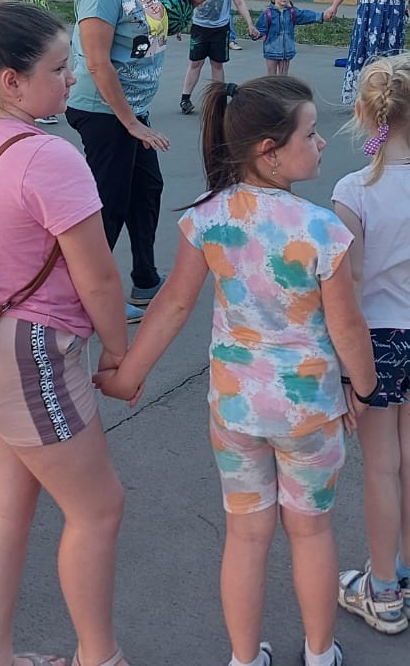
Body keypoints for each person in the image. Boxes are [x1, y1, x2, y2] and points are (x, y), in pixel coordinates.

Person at [98, 77, 376, 666]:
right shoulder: (322, 229)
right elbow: (348, 329)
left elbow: (172, 304)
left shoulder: (208, 218)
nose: (322, 143)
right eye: (310, 132)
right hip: (310, 410)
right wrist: (363, 387)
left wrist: (130, 373)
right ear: (269, 150)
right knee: (312, 533)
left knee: (246, 536)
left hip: (235, 407)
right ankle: (321, 653)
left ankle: (245, 658)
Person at [0, 2, 133, 666]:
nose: (70, 79)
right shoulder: (48, 157)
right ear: (11, 82)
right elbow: (99, 280)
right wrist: (119, 353)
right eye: (58, 68)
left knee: (6, 508)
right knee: (98, 509)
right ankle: (99, 657)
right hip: (30, 354)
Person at [332, 55, 410, 633]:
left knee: (379, 468)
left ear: (361, 113)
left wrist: (347, 367)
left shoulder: (352, 190)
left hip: (374, 339)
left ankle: (380, 589)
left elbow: (351, 283)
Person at [67, 0, 206, 316]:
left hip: (131, 111)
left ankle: (144, 280)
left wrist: (188, 7)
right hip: (105, 112)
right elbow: (97, 59)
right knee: (109, 204)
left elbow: (146, 36)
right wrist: (131, 123)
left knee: (146, 192)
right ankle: (85, 299)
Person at [179, 0, 257, 114]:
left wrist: (250, 23)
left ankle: (218, 100)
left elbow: (239, 1)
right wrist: (179, 27)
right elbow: (186, 4)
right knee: (195, 64)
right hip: (200, 28)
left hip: (220, 30)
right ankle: (185, 99)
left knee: (217, 65)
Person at [253, 0, 323, 76]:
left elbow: (305, 15)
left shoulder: (292, 12)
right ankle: (270, 91)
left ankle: (282, 90)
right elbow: (260, 29)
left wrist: (321, 16)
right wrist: (256, 34)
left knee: (283, 76)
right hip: (271, 51)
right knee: (271, 76)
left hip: (286, 52)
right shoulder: (267, 13)